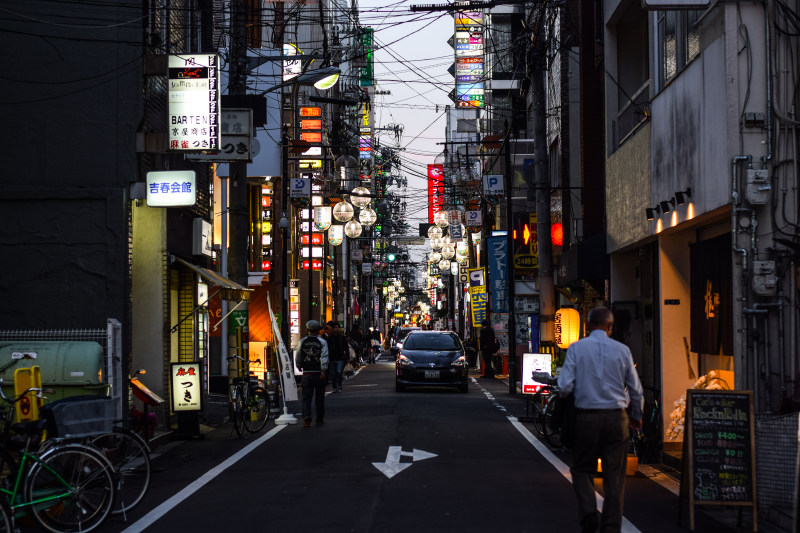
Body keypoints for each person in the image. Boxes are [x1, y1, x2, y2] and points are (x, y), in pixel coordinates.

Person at [557, 306, 643, 533]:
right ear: (610, 327)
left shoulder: (576, 349)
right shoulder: (622, 350)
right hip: (617, 419)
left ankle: (588, 514)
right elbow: (636, 390)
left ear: (587, 326)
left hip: (587, 419)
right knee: (615, 477)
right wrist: (636, 416)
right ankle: (611, 527)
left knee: (582, 470)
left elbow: (564, 387)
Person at [295, 320, 329, 427]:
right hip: (319, 373)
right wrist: (323, 370)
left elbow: (298, 355)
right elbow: (324, 356)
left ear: (308, 330)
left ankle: (306, 418)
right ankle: (319, 419)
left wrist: (299, 366)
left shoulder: (302, 341)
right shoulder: (322, 342)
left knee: (306, 396)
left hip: (307, 373)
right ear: (318, 330)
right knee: (319, 397)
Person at [326, 320, 348, 393]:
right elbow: (327, 348)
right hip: (332, 358)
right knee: (333, 374)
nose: (337, 329)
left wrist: (347, 356)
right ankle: (335, 387)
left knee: (339, 372)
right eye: (335, 327)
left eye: (338, 327)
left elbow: (346, 347)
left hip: (340, 358)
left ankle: (339, 386)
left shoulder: (342, 337)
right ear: (332, 328)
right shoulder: (329, 338)